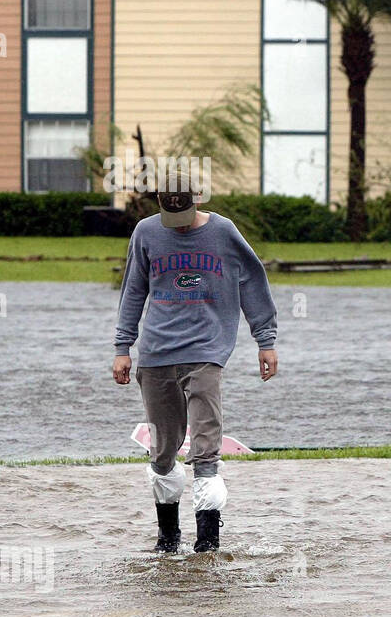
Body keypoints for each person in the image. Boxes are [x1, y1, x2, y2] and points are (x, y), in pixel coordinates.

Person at [112, 190, 278, 552]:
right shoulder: (145, 232)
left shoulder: (223, 232)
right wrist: (122, 347)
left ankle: (207, 548)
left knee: (205, 448)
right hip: (156, 355)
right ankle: (167, 543)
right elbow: (133, 291)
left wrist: (265, 340)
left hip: (206, 352)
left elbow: (252, 280)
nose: (179, 223)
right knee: (162, 451)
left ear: (198, 198)